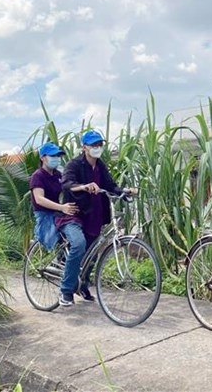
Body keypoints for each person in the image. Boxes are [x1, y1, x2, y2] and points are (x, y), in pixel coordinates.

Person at [55, 130, 128, 307]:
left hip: (94, 217)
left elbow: (110, 186)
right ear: (84, 147)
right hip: (74, 215)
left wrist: (124, 191)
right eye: (93, 145)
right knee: (79, 245)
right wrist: (84, 186)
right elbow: (67, 183)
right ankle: (65, 291)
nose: (97, 148)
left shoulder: (100, 166)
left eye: (99, 144)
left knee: (93, 253)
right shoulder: (74, 165)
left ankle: (82, 286)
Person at [29, 142, 79, 251]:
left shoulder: (58, 175)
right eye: (52, 156)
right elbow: (39, 199)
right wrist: (62, 207)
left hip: (58, 212)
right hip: (45, 214)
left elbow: (67, 188)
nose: (56, 158)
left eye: (58, 156)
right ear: (43, 158)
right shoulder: (38, 176)